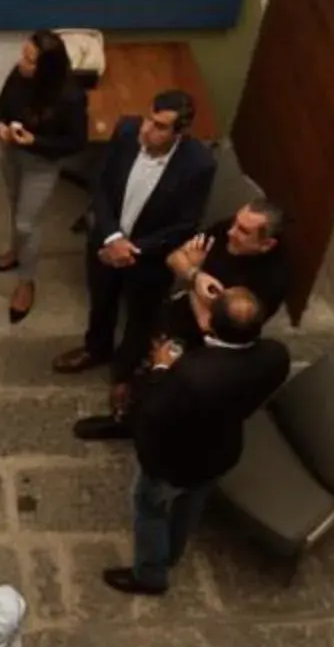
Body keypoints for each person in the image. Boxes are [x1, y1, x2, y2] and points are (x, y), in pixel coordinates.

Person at [107, 283, 291, 594]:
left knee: (149, 507)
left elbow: (151, 411)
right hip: (221, 450)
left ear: (210, 323)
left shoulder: (190, 374)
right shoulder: (275, 355)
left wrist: (161, 368)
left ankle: (150, 574)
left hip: (174, 461)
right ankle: (173, 553)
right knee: (191, 504)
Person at [76, 196, 289, 442]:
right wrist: (195, 275)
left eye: (243, 231)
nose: (231, 232)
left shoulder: (270, 281)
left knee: (160, 386)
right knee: (137, 342)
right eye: (235, 223)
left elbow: (211, 327)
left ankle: (130, 424)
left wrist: (190, 283)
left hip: (199, 345)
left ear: (266, 244)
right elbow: (175, 258)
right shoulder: (226, 230)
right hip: (175, 313)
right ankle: (125, 391)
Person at [55, 91, 217, 378]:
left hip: (149, 258)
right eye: (148, 119)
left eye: (160, 126)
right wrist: (112, 238)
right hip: (106, 242)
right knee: (101, 301)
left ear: (180, 132)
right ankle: (96, 348)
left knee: (142, 316)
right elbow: (101, 185)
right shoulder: (127, 131)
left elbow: (186, 223)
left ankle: (124, 369)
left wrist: (133, 249)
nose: (147, 129)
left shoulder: (198, 164)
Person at [0, 29, 88, 324]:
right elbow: (0, 102)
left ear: (47, 68)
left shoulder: (70, 96)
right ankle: (15, 253)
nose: (22, 63)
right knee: (16, 206)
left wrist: (36, 142)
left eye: (30, 61)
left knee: (27, 223)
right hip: (12, 153)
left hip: (41, 164)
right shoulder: (18, 75)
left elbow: (76, 142)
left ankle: (26, 282)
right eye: (24, 55)